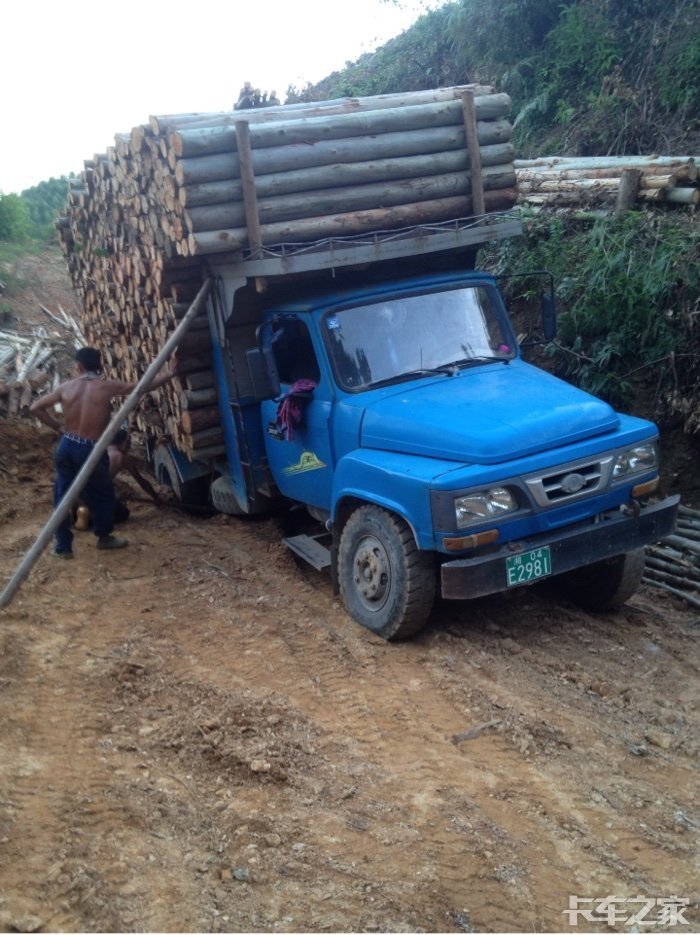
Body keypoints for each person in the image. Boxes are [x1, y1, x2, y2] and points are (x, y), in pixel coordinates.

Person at [30, 347, 176, 559]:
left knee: (62, 495)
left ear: (79, 367)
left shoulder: (66, 387)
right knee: (101, 493)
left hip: (67, 444)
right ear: (99, 366)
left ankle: (63, 547)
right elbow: (142, 387)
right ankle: (104, 537)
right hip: (90, 448)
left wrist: (58, 427)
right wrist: (170, 374)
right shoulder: (106, 387)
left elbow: (35, 407)